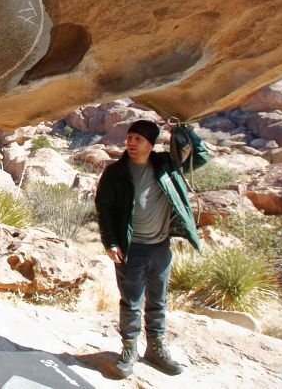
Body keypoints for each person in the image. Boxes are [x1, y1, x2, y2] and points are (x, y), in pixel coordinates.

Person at [95, 119, 208, 378]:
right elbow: (104, 208)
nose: (131, 143)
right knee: (131, 302)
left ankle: (155, 348)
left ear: (151, 144)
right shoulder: (116, 172)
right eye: (129, 137)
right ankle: (129, 349)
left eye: (138, 139)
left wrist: (184, 129)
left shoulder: (167, 165)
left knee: (158, 301)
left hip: (160, 247)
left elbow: (200, 156)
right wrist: (110, 242)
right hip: (131, 248)